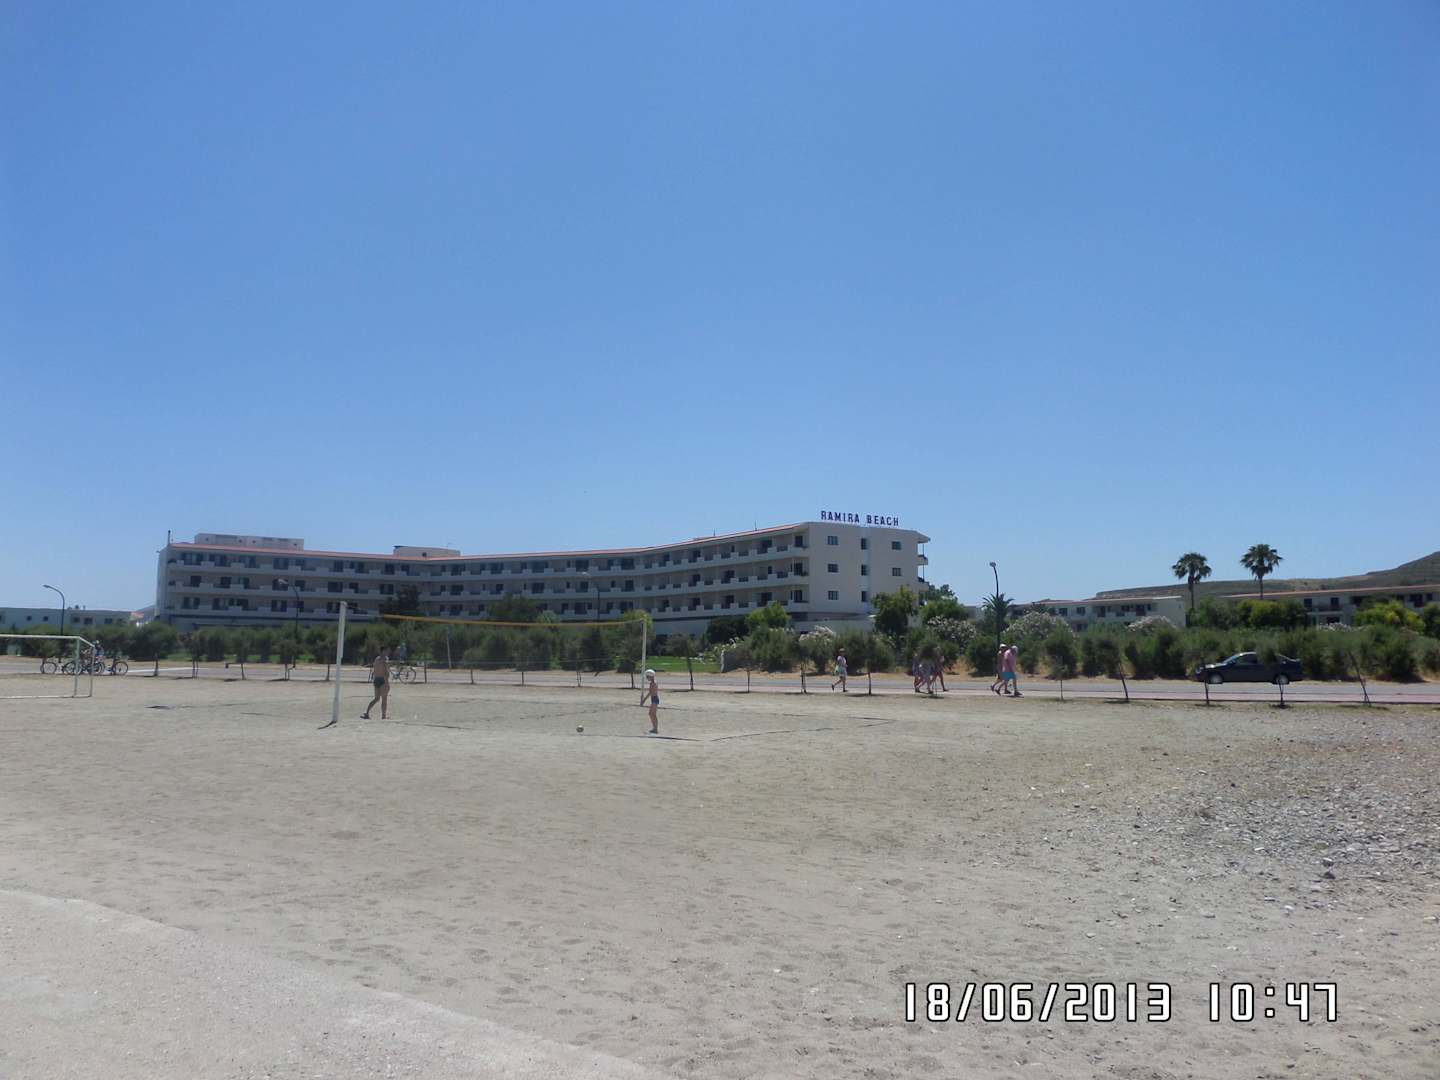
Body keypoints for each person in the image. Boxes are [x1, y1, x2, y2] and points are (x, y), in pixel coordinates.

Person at [362, 646, 391, 719]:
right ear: (383, 651)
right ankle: (383, 716)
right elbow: (385, 672)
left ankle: (366, 712)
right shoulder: (385, 659)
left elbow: (374, 671)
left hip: (376, 680)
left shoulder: (377, 659)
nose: (388, 652)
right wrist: (387, 683)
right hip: (383, 680)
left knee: (376, 698)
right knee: (384, 699)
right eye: (386, 650)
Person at [641, 668, 660, 733]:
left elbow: (650, 692)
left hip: (654, 699)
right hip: (654, 699)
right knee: (652, 714)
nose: (647, 678)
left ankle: (655, 729)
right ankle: (654, 728)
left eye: (647, 676)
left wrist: (644, 700)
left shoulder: (653, 683)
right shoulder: (654, 682)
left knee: (652, 714)